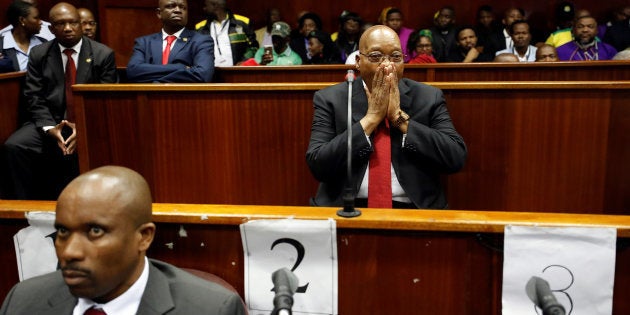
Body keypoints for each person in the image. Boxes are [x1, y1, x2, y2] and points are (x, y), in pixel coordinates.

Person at [0, 166, 247, 314]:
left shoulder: (211, 309)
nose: (70, 252)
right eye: (63, 232)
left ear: (143, 237)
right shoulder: (23, 302)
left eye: (95, 231)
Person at [306, 25, 467, 209]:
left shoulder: (428, 97)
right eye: (376, 57)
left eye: (396, 57)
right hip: (347, 207)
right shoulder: (331, 99)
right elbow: (318, 165)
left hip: (414, 208)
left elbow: (455, 157)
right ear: (358, 61)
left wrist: (399, 118)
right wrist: (371, 119)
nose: (387, 64)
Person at [2, 2, 117, 200]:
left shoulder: (102, 54)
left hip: (88, 124)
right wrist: (49, 127)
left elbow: (105, 100)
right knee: (15, 146)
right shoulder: (40, 54)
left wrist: (82, 128)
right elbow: (34, 96)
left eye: (73, 23)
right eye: (60, 24)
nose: (68, 28)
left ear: (81, 25)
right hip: (50, 121)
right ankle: (25, 210)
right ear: (52, 28)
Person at [126, 0, 214, 82]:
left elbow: (203, 75)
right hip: (149, 97)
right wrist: (180, 67)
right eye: (171, 6)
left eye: (183, 7)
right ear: (159, 13)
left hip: (183, 97)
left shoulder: (201, 41)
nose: (178, 10)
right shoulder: (144, 43)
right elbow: (133, 71)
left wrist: (158, 81)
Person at [196, 0, 258, 66]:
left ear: (214, 5)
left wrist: (244, 61)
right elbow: (196, 51)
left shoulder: (242, 23)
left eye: (205, 6)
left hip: (237, 73)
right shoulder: (200, 28)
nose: (204, 9)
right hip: (212, 73)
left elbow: (253, 47)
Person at [0, 0, 46, 72]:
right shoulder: (1, 45)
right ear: (22, 20)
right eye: (36, 18)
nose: (40, 22)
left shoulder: (44, 43)